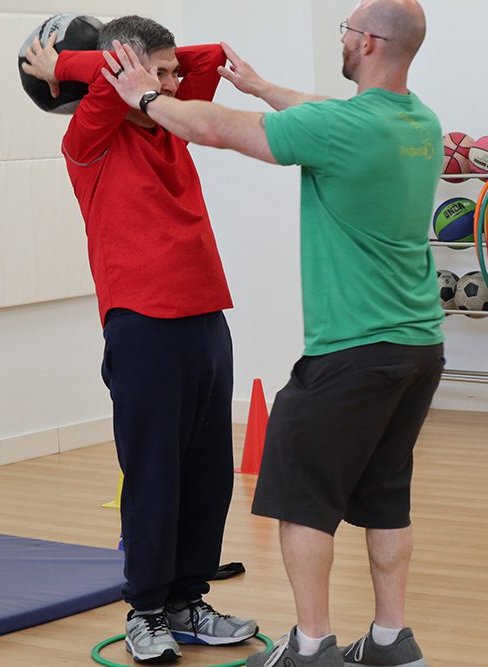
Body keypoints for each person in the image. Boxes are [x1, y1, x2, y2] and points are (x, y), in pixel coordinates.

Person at [101, 1, 442, 665]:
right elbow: (321, 109)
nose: (341, 38)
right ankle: (389, 640)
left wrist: (145, 94)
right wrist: (260, 86)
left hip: (352, 351)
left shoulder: (337, 128)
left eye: (346, 30)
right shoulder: (416, 121)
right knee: (385, 497)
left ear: (369, 42)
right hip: (418, 347)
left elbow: (217, 128)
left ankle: (310, 647)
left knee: (303, 503)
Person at [21, 15, 258, 664]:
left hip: (206, 315)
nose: (180, 82)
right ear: (123, 73)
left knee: (208, 475)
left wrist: (151, 72)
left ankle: (188, 600)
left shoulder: (172, 124)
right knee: (155, 474)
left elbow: (211, 55)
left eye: (174, 74)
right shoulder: (90, 137)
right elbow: (109, 79)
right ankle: (146, 609)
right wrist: (73, 67)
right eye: (163, 73)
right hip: (142, 324)